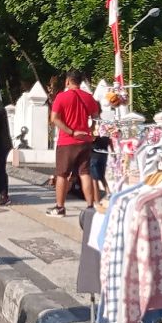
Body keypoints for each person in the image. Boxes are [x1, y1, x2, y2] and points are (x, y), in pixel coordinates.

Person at [47, 70, 99, 217]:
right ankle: (90, 206)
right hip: (85, 141)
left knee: (62, 174)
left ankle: (60, 207)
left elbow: (55, 118)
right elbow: (96, 117)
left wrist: (71, 132)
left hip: (67, 141)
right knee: (85, 173)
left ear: (68, 81)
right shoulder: (89, 98)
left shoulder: (62, 97)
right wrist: (90, 130)